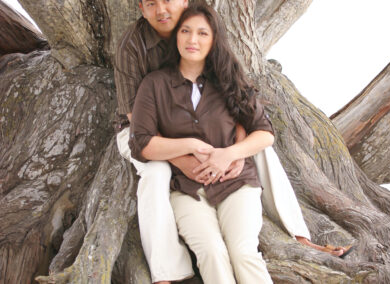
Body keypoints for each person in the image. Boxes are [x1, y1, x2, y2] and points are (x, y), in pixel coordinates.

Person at [114, 1, 352, 282]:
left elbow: (242, 112)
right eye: (151, 3)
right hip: (141, 129)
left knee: (262, 150)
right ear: (142, 8)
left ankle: (298, 235)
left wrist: (233, 153)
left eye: (168, 0)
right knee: (155, 174)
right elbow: (140, 129)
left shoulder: (200, 36)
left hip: (210, 138)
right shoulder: (134, 47)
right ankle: (167, 272)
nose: (161, 10)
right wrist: (184, 159)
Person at [129, 4, 275, 283]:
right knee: (211, 251)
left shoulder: (229, 80)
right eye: (185, 31)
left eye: (201, 33)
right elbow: (141, 143)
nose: (192, 40)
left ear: (213, 40)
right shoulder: (154, 84)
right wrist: (189, 145)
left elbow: (265, 133)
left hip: (236, 183)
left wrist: (231, 154)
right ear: (176, 37)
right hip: (187, 190)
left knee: (243, 252)